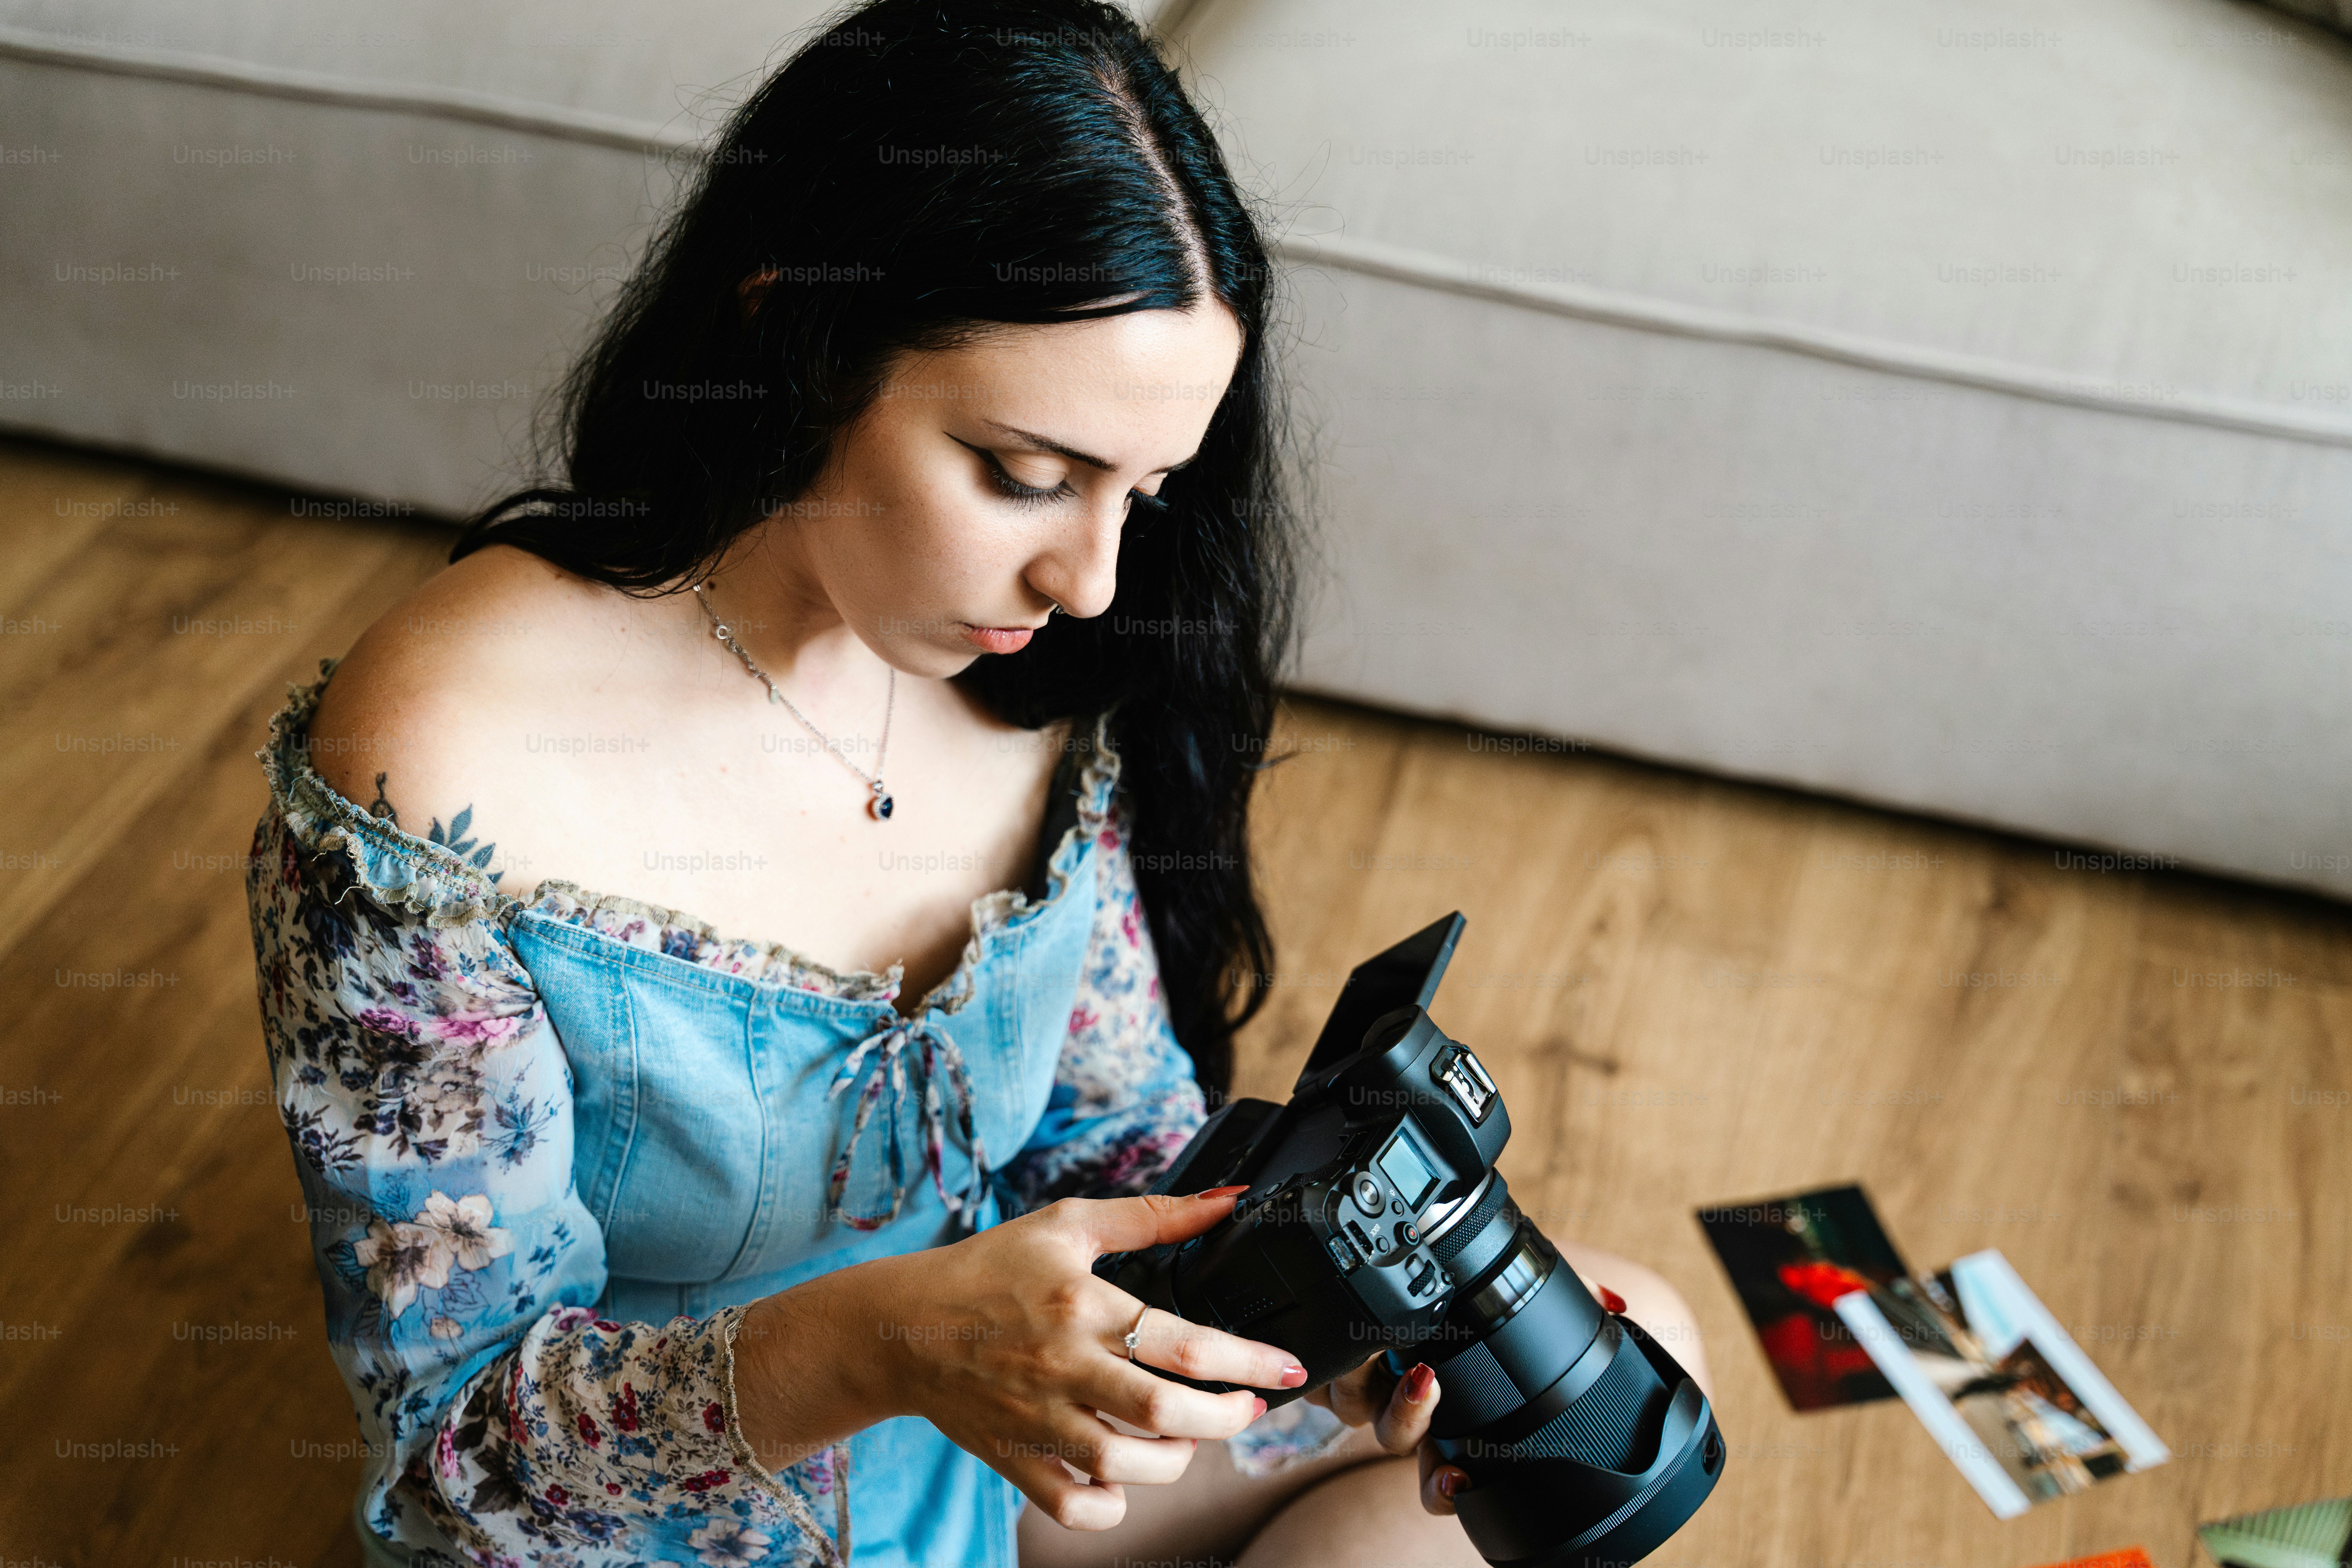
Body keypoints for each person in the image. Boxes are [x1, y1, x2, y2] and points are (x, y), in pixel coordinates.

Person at [244, 2, 1709, 1563]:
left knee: (1633, 1352)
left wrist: (1317, 1325)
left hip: (997, 1405)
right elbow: (450, 1465)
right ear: (790, 333)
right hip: (663, 1499)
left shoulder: (1016, 671)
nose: (1091, 578)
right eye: (1026, 472)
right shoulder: (438, 778)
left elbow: (1110, 1142)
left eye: (1147, 491)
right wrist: (889, 1345)